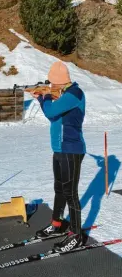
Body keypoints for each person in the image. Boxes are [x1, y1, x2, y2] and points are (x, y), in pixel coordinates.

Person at [30, 61, 86, 252]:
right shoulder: (63, 94)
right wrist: (41, 97)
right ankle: (57, 224)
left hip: (71, 149)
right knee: (59, 189)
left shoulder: (74, 93)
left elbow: (52, 110)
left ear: (60, 82)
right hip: (59, 148)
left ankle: (76, 234)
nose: (51, 86)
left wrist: (45, 96)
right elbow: (52, 116)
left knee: (71, 193)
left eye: (53, 83)